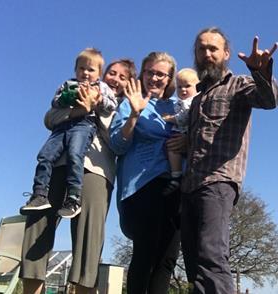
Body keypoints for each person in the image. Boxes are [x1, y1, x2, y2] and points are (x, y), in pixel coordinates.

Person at [19, 58, 137, 294]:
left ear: (128, 85)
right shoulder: (80, 90)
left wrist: (94, 109)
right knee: (37, 225)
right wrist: (79, 110)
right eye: (111, 73)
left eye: (122, 77)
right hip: (59, 164)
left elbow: (119, 142)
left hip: (96, 169)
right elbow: (50, 118)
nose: (115, 78)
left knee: (88, 239)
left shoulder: (123, 107)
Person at [180, 27, 278, 293]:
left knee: (211, 256)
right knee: (195, 267)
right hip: (189, 186)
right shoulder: (197, 98)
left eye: (213, 49)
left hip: (218, 182)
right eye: (201, 49)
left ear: (226, 53)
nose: (207, 54)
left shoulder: (238, 85)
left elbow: (269, 99)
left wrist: (260, 71)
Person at [109, 51, 181, 294]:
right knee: (146, 251)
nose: (155, 77)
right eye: (150, 71)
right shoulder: (130, 103)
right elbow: (118, 145)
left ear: (169, 78)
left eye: (161, 74)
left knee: (167, 258)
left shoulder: (176, 106)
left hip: (174, 186)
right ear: (143, 73)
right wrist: (134, 114)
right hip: (142, 186)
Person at [19, 48, 118, 218]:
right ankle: (39, 194)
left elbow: (112, 104)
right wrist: (68, 98)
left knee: (75, 153)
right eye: (81, 68)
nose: (85, 73)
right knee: (45, 155)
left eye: (91, 69)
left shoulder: (101, 87)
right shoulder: (68, 84)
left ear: (99, 73)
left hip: (84, 125)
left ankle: (74, 197)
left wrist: (98, 99)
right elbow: (55, 103)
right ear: (75, 70)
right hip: (62, 127)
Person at [161, 68, 200, 195]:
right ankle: (177, 174)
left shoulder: (191, 101)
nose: (183, 90)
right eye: (180, 87)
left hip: (185, 132)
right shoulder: (181, 101)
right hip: (183, 133)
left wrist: (170, 118)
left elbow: (183, 118)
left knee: (172, 147)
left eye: (187, 86)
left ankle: (176, 175)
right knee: (172, 149)